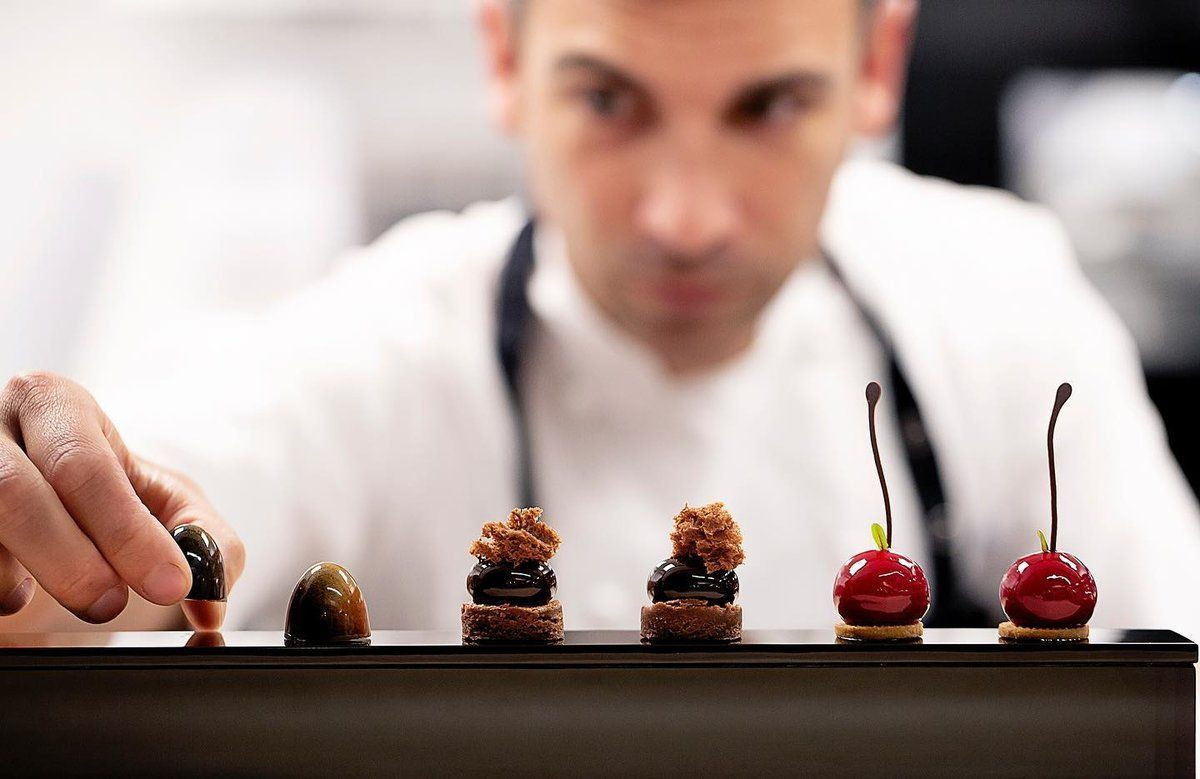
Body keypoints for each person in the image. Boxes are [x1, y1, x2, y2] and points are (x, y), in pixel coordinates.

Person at [1, 0, 1198, 638]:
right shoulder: (382, 349)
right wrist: (40, 532)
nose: (684, 216)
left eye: (771, 104)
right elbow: (109, 576)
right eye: (609, 100)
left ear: (878, 61)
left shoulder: (998, 298)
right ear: (504, 59)